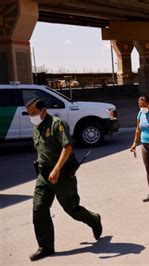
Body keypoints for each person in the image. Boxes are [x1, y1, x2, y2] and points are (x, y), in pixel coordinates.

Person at [26, 98, 102, 261]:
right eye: (29, 114)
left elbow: (67, 148)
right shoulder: (36, 128)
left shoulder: (57, 124)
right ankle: (45, 246)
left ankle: (94, 219)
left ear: (43, 111)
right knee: (38, 208)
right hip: (44, 176)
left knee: (71, 209)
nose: (31, 117)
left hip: (62, 175)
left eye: (33, 113)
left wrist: (57, 169)